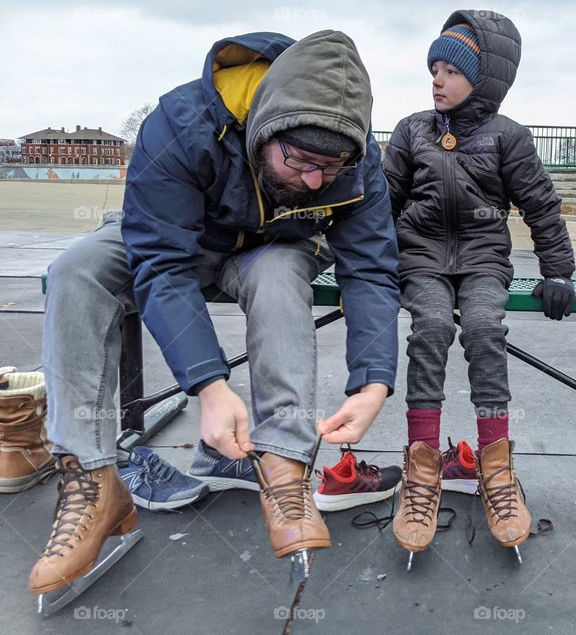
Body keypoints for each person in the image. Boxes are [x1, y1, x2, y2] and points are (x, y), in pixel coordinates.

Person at [29, 29, 401, 599]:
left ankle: (283, 464)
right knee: (77, 271)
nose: (313, 180)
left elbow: (371, 268)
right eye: (299, 159)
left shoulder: (357, 157)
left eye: (331, 166)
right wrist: (209, 385)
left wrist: (374, 380)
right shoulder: (180, 123)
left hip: (272, 246)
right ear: (264, 127)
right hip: (178, 236)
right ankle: (91, 478)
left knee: (279, 275)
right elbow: (162, 260)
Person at [382, 10, 576, 559]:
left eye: (450, 70)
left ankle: (495, 464)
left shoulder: (506, 136)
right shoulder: (411, 130)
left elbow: (541, 204)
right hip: (419, 261)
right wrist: (362, 270)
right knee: (433, 327)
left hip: (483, 259)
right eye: (433, 68)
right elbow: (380, 206)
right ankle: (422, 466)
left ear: (482, 79)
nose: (437, 80)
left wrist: (557, 270)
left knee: (486, 327)